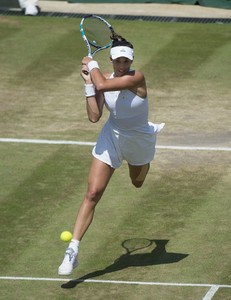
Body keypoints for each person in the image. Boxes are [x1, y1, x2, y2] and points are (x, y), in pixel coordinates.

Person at [58, 33, 165, 276]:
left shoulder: (136, 78)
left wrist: (92, 66)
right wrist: (87, 84)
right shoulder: (101, 79)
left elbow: (104, 85)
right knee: (93, 192)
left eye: (126, 61)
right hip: (112, 136)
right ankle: (72, 250)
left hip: (138, 140)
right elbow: (94, 116)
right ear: (111, 60)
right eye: (118, 61)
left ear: (131, 61)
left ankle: (144, 164)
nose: (122, 65)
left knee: (137, 183)